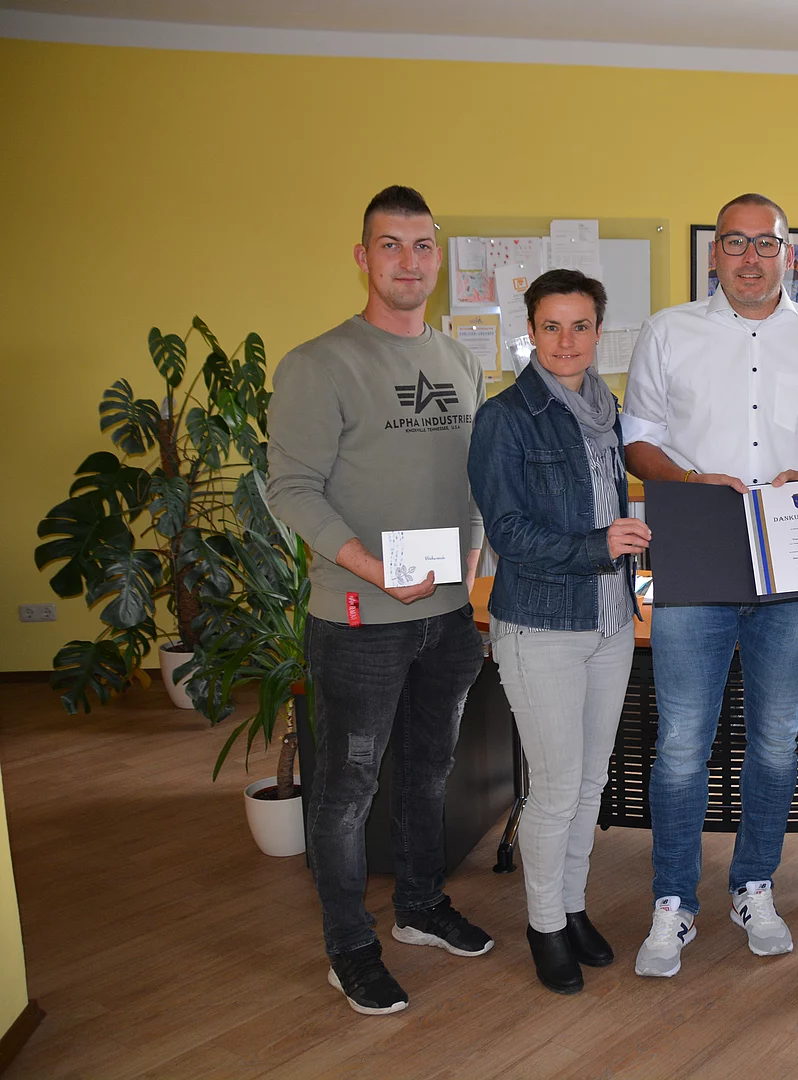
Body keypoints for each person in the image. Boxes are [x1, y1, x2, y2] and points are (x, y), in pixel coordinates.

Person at [621, 192, 798, 977]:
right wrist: (689, 480)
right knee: (681, 744)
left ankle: (754, 883)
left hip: (789, 554)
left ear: (788, 253)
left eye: (766, 244)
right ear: (714, 253)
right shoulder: (669, 331)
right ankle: (673, 900)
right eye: (736, 242)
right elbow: (638, 439)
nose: (751, 258)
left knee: (775, 740)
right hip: (698, 546)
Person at [267, 185, 492, 1016]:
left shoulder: (460, 360)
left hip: (447, 618)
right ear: (363, 258)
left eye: (422, 245)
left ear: (439, 258)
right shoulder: (319, 364)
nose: (408, 260)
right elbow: (291, 488)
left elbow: (472, 480)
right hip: (360, 621)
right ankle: (349, 947)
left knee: (430, 772)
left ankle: (420, 907)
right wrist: (368, 566)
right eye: (390, 245)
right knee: (347, 790)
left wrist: (473, 556)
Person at [467, 269, 650, 995]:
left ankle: (572, 908)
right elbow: (508, 532)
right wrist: (600, 546)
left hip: (611, 622)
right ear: (531, 331)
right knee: (554, 789)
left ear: (599, 331)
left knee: (590, 783)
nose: (566, 341)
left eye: (580, 326)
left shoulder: (610, 411)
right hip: (540, 625)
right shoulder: (505, 417)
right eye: (551, 327)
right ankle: (544, 925)